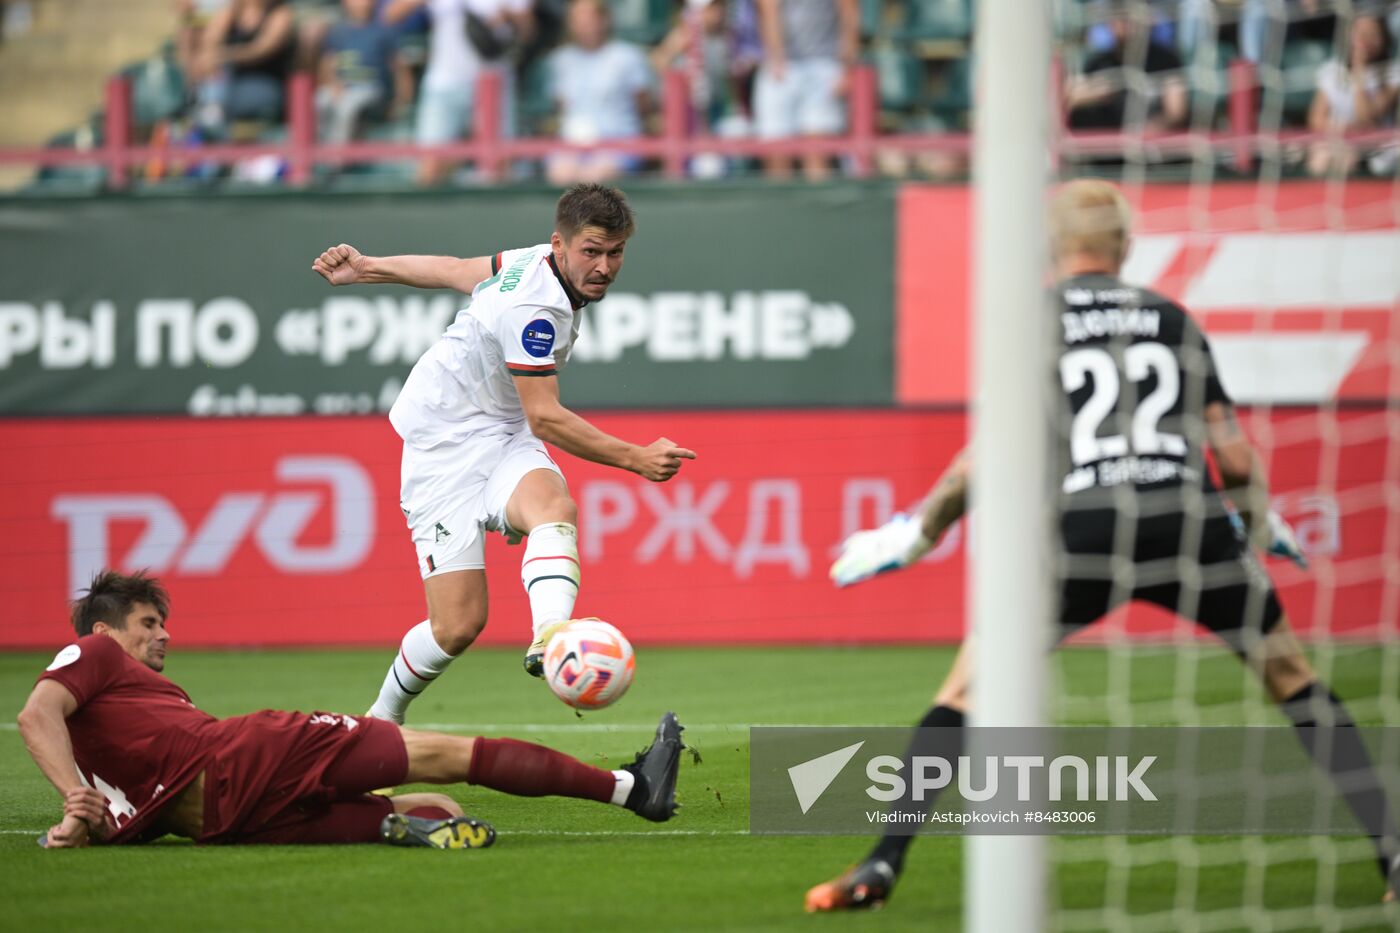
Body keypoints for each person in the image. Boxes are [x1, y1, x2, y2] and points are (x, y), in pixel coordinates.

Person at [804, 179, 1400, 911]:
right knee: (1291, 677)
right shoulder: (1172, 316)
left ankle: (881, 865)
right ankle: (1391, 851)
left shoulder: (1034, 322)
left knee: (965, 691)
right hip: (1189, 521)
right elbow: (1236, 460)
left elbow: (979, 462)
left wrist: (918, 533)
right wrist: (1262, 524)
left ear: (1054, 247)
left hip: (1082, 529)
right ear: (1125, 245)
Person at [311, 183, 696, 725]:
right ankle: (381, 719)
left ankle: (551, 636)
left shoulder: (529, 261)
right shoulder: (535, 310)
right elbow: (547, 417)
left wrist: (368, 268)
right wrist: (636, 458)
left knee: (554, 508)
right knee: (457, 627)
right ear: (559, 245)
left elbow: (450, 270)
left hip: (501, 431)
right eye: (592, 251)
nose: (605, 266)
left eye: (615, 252)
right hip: (441, 446)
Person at [19, 570, 684, 849]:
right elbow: (35, 714)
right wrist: (74, 797)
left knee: (441, 811)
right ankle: (633, 788)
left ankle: (409, 827)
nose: (162, 634)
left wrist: (77, 825)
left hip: (229, 822)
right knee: (449, 756)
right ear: (106, 631)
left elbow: (114, 823)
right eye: (147, 622)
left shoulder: (130, 723)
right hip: (248, 752)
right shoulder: (95, 653)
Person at [382, 0, 535, 186]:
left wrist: (509, 17)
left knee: (498, 168)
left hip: (493, 84)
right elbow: (390, 15)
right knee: (429, 169)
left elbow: (529, 32)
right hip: (444, 84)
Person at [545, 0, 653, 185]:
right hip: (573, 145)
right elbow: (558, 105)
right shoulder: (559, 60)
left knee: (593, 178)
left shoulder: (628, 56)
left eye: (589, 18)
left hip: (619, 144)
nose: (584, 25)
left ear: (605, 20)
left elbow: (644, 104)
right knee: (560, 173)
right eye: (578, 19)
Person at [752, 0, 859, 181]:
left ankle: (818, 208)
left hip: (824, 65)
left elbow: (849, 12)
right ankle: (779, 207)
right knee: (777, 155)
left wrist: (846, 66)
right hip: (781, 69)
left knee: (817, 154)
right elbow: (768, 10)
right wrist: (777, 58)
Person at [1065, 2, 1188, 134]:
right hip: (1103, 147)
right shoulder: (1098, 64)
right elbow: (1068, 99)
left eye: (1131, 16)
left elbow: (1176, 113)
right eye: (1120, 15)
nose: (1125, 23)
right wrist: (1094, 95)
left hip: (1150, 148)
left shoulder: (1166, 61)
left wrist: (1141, 135)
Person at [1306, 10, 1400, 177]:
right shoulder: (1331, 70)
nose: (1365, 38)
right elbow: (1316, 118)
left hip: (1380, 146)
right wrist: (1342, 129)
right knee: (1322, 156)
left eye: (1372, 33)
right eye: (1360, 31)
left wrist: (1359, 74)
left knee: (1350, 158)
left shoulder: (1393, 73)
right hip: (1340, 136)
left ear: (1383, 38)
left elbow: (1368, 117)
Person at [315, 0, 414, 144]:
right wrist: (334, 84)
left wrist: (401, 102)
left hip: (372, 90)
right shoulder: (337, 32)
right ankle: (316, 152)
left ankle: (337, 160)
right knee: (320, 99)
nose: (361, 4)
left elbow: (400, 68)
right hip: (342, 87)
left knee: (348, 105)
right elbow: (327, 64)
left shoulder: (384, 31)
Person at [193, 0, 297, 131]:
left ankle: (210, 114)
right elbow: (209, 43)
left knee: (219, 89)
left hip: (266, 85)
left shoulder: (280, 14)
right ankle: (211, 113)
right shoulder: (232, 11)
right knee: (217, 73)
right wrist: (211, 58)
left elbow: (260, 50)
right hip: (228, 84)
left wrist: (225, 56)